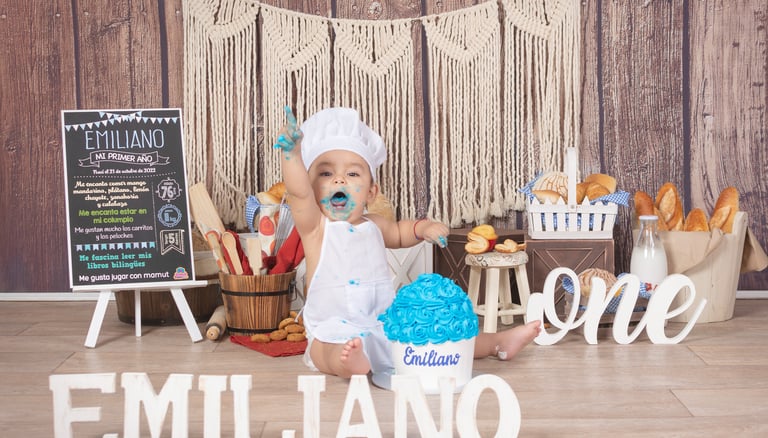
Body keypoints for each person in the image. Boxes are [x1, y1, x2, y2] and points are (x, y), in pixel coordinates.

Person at [273, 106, 541, 379]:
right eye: (326, 174)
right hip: (333, 326)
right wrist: (292, 154)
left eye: (353, 174)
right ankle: (349, 363)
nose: (340, 178)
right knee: (324, 352)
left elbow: (401, 233)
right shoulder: (317, 227)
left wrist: (423, 227)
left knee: (436, 341)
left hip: (383, 323)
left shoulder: (375, 224)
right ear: (311, 186)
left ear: (371, 192)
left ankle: (497, 342)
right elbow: (298, 193)